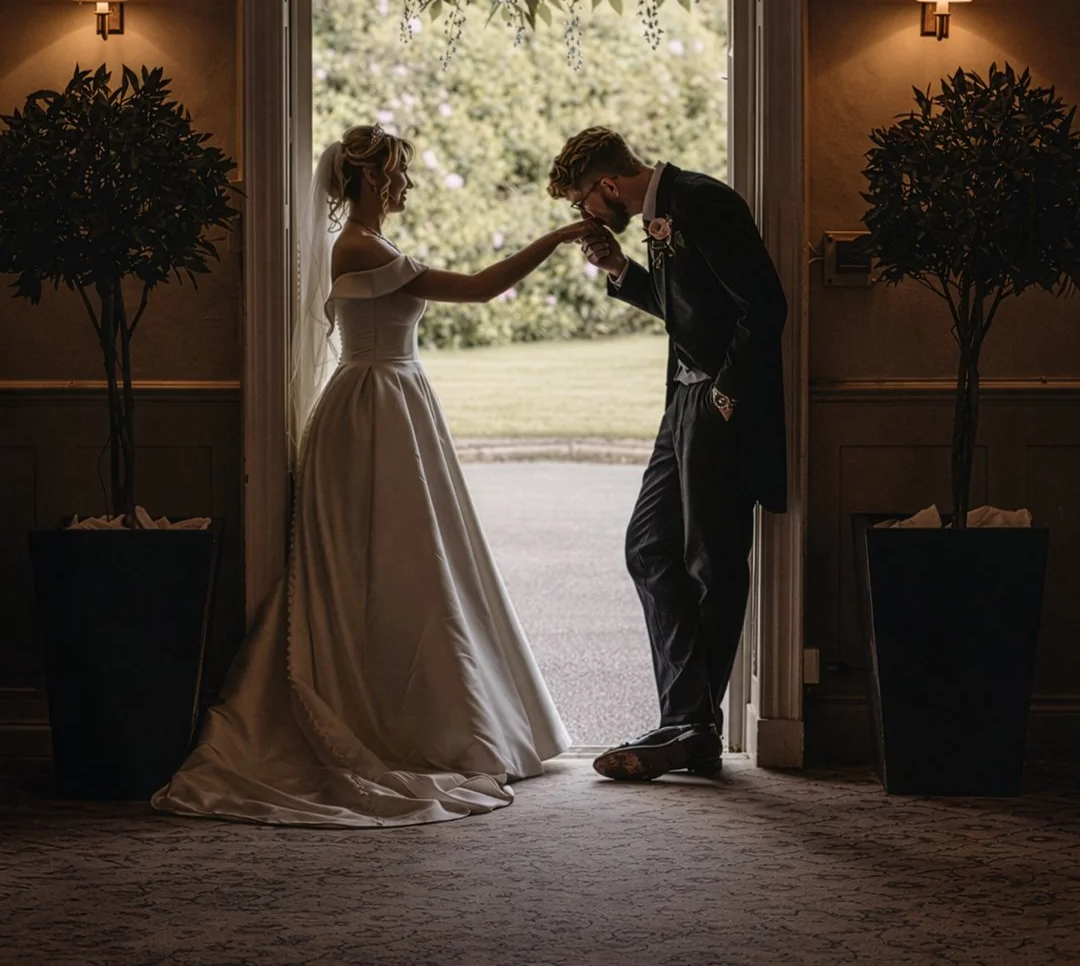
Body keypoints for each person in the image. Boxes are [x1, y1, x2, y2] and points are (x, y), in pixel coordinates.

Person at [153, 123, 594, 828]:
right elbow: (479, 291)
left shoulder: (373, 243)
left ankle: (424, 703)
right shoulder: (355, 245)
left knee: (418, 559)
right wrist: (558, 237)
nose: (404, 184)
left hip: (398, 399)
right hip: (373, 407)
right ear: (365, 179)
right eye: (394, 174)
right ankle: (395, 712)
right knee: (389, 559)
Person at [547, 126, 787, 781]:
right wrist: (621, 270)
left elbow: (764, 304)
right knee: (649, 547)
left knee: (714, 558)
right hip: (679, 404)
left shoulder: (702, 201)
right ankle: (690, 723)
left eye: (584, 203)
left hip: (714, 402)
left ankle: (687, 727)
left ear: (605, 186)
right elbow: (687, 311)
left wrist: (728, 393)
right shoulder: (655, 217)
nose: (588, 217)